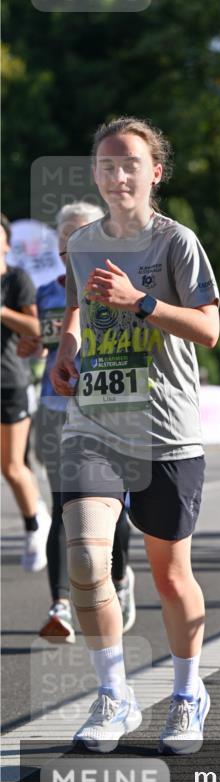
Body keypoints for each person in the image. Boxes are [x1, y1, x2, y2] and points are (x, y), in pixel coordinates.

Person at [51, 117, 220, 753]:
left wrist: (140, 302)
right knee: (86, 559)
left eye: (130, 164)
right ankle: (114, 695)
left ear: (154, 173)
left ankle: (187, 694)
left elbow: (209, 330)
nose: (117, 174)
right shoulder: (82, 243)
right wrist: (66, 349)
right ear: (95, 174)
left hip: (164, 430)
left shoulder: (177, 242)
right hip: (93, 425)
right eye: (107, 164)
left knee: (170, 576)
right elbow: (75, 308)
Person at [18, 202, 136, 642]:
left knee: (111, 506)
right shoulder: (46, 293)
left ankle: (119, 579)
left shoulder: (118, 289)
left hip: (106, 410)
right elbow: (37, 343)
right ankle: (61, 605)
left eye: (79, 233)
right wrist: (31, 346)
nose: (70, 243)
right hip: (56, 408)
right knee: (62, 505)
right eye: (64, 236)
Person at [0, 212, 51, 571]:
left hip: (10, 382)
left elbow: (35, 326)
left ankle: (36, 522)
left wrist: (2, 311)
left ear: (6, 244)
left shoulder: (17, 279)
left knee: (12, 466)